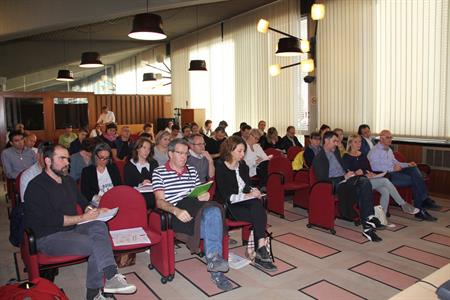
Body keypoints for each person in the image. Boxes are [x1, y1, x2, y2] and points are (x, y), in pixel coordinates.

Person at [24, 144, 136, 300]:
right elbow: (52, 219)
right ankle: (96, 291)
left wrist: (94, 210)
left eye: (68, 159)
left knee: (98, 225)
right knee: (96, 245)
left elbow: (83, 203)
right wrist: (84, 218)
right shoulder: (36, 186)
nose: (67, 162)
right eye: (62, 158)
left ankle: (110, 277)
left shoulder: (68, 181)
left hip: (72, 229)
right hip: (48, 237)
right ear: (48, 161)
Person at [152, 139, 232, 291]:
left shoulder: (192, 170)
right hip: (178, 213)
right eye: (180, 153)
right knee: (212, 218)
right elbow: (159, 202)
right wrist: (176, 211)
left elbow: (198, 194)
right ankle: (216, 271)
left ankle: (214, 263)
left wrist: (204, 195)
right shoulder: (159, 172)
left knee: (213, 210)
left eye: (186, 154)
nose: (184, 157)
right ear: (170, 154)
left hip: (195, 210)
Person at [215, 136, 276, 271]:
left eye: (243, 151)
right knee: (259, 213)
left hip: (243, 201)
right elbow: (227, 196)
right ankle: (260, 250)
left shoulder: (242, 166)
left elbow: (246, 186)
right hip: (228, 205)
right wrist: (249, 195)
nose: (243, 154)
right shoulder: (220, 166)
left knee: (257, 207)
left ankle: (259, 248)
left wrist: (254, 190)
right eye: (240, 151)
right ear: (230, 150)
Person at [313, 131, 384, 242]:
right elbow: (323, 180)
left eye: (337, 141)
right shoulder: (319, 158)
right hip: (335, 185)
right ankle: (370, 218)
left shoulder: (335, 152)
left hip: (346, 180)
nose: (337, 144)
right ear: (326, 141)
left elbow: (342, 168)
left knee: (363, 186)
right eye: (334, 141)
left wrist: (349, 173)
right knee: (364, 182)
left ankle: (367, 229)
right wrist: (344, 177)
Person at [368, 130, 438, 221]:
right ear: (381, 138)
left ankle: (423, 201)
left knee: (413, 169)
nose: (390, 139)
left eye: (391, 137)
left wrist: (408, 164)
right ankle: (421, 207)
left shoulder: (388, 149)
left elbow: (396, 162)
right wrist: (393, 169)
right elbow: (375, 168)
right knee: (415, 180)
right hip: (387, 175)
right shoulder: (375, 151)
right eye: (387, 137)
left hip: (394, 172)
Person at [343, 134, 419, 216]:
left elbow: (367, 168)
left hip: (367, 179)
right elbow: (346, 173)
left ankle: (382, 218)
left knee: (385, 190)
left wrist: (370, 173)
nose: (359, 144)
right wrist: (355, 173)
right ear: (350, 143)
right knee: (385, 181)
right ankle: (403, 204)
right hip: (357, 182)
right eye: (356, 142)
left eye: (360, 142)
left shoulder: (362, 155)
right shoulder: (346, 156)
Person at [124, 138, 158, 209]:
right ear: (137, 149)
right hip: (136, 196)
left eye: (149, 149)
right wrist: (141, 184)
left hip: (153, 194)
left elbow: (159, 180)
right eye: (144, 148)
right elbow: (128, 185)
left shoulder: (153, 163)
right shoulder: (129, 166)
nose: (146, 151)